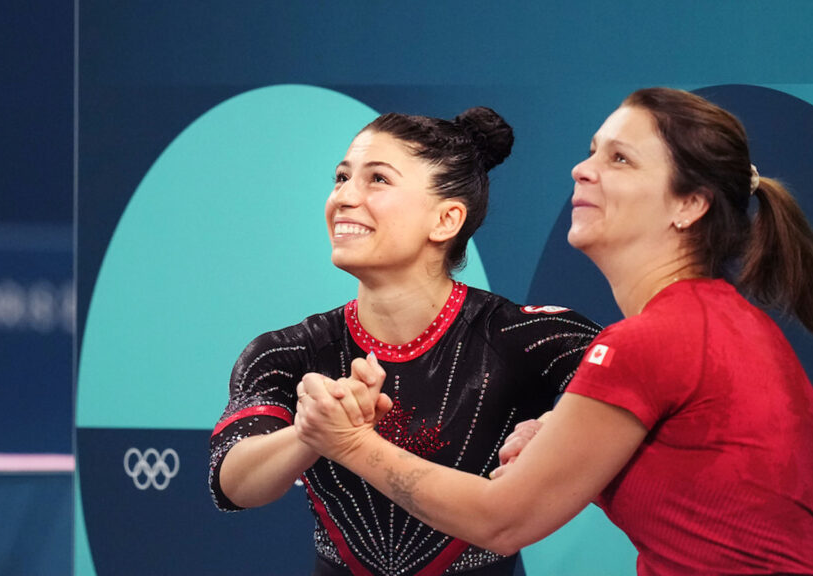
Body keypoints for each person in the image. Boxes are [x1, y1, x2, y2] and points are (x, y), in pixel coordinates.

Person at [295, 87, 813, 576]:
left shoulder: (651, 342)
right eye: (592, 151)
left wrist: (349, 443)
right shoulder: (724, 323)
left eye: (620, 159)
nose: (582, 169)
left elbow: (500, 520)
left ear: (689, 205)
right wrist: (559, 433)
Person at [208, 107, 602, 576]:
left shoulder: (526, 337)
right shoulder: (287, 352)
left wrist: (555, 427)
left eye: (377, 179)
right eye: (341, 178)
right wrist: (312, 432)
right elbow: (233, 484)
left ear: (446, 220)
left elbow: (644, 392)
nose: (344, 197)